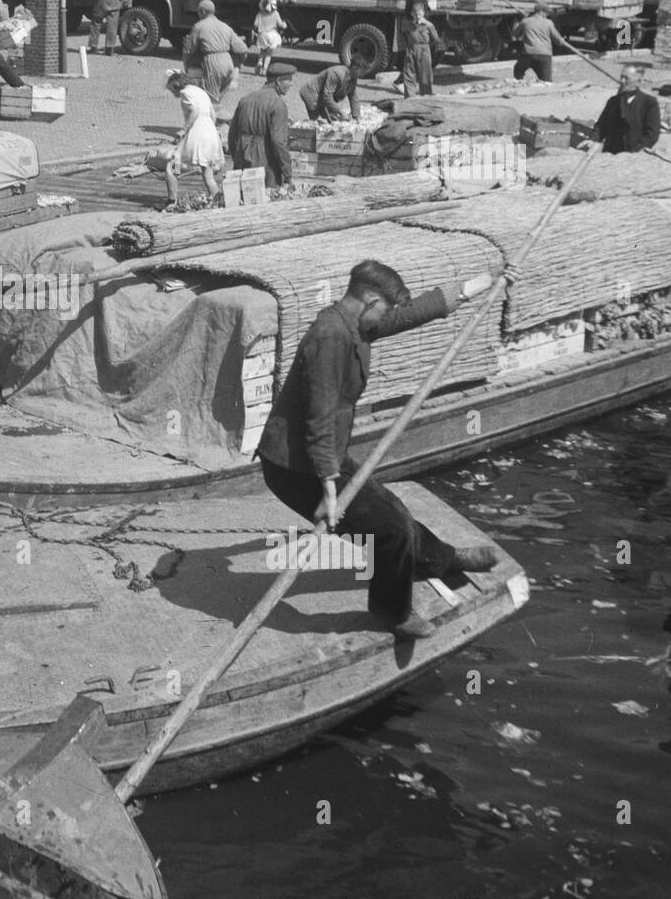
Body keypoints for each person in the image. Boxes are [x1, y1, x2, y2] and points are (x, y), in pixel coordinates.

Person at [257, 259, 501, 638]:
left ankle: (445, 559)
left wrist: (482, 283)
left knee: (394, 512)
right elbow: (318, 416)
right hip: (295, 466)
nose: (388, 316)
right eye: (386, 307)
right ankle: (392, 614)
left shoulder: (355, 321)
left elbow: (409, 315)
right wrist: (329, 490)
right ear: (371, 300)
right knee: (388, 531)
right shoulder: (329, 338)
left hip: (324, 455)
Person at [152, 70, 225, 209]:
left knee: (171, 167)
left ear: (176, 85)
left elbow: (194, 111)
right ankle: (218, 201)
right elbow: (213, 116)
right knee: (208, 174)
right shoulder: (201, 92)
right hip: (210, 133)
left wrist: (183, 130)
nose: (173, 94)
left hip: (197, 134)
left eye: (171, 90)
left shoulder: (185, 93)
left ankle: (171, 201)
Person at [228, 62, 295, 188]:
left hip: (241, 159)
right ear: (279, 81)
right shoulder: (278, 104)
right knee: (266, 200)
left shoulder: (245, 99)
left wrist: (237, 157)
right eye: (289, 80)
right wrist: (287, 174)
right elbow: (279, 142)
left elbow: (232, 135)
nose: (291, 84)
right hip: (265, 163)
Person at [182, 0, 247, 105]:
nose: (198, 14)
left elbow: (189, 49)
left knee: (210, 99)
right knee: (218, 98)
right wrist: (240, 63)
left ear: (203, 12)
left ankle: (213, 120)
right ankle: (218, 118)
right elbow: (242, 48)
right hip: (227, 62)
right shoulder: (225, 26)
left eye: (198, 12)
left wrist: (186, 63)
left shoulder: (199, 26)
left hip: (213, 62)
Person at [591, 64, 660, 154]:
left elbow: (651, 134)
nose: (622, 81)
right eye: (621, 77)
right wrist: (593, 140)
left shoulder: (649, 102)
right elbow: (601, 125)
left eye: (626, 78)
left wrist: (634, 152)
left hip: (634, 155)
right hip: (611, 153)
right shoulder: (613, 101)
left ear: (638, 81)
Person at [511, 2, 569, 83]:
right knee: (547, 81)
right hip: (545, 56)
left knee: (518, 71)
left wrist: (518, 22)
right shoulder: (549, 23)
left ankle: (518, 83)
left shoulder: (525, 21)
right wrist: (562, 41)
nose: (547, 15)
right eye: (546, 13)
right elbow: (558, 40)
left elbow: (515, 34)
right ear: (541, 12)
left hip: (528, 54)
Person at [299, 56, 366, 122]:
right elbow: (327, 97)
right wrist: (340, 112)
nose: (363, 74)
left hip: (323, 97)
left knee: (334, 120)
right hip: (312, 95)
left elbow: (353, 96)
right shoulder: (337, 73)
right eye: (362, 71)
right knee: (321, 123)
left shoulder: (353, 77)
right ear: (354, 67)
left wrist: (356, 116)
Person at [399, 2, 440, 97]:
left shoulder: (429, 25)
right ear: (412, 14)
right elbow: (404, 36)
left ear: (423, 13)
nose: (417, 16)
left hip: (424, 50)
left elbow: (436, 40)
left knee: (425, 74)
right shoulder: (409, 25)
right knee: (409, 74)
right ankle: (410, 98)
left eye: (420, 14)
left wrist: (427, 47)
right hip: (411, 49)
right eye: (415, 14)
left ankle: (426, 97)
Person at [252, 0, 288, 78]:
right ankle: (265, 69)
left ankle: (260, 62)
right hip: (272, 34)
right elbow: (280, 25)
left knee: (262, 50)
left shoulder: (260, 13)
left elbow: (255, 24)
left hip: (262, 34)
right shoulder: (275, 13)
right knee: (269, 53)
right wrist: (285, 25)